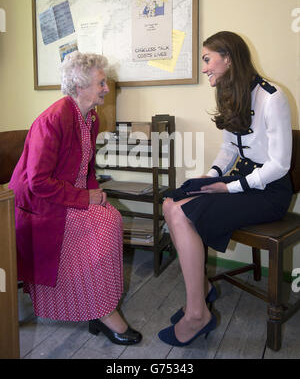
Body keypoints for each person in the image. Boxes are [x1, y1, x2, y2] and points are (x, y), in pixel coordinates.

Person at [158, 31, 293, 347]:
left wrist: (230, 187)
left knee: (181, 214)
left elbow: (281, 165)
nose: (204, 68)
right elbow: (229, 149)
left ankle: (197, 314)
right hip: (239, 181)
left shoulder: (273, 97)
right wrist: (210, 179)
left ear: (228, 58)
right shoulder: (230, 92)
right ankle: (203, 290)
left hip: (269, 191)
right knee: (170, 203)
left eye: (207, 59)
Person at [9, 51, 142, 345]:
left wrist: (96, 194)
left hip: (64, 197)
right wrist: (86, 200)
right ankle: (104, 312)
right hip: (40, 203)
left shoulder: (90, 117)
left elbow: (85, 168)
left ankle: (97, 304)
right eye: (101, 83)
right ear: (80, 87)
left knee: (111, 217)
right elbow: (38, 182)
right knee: (106, 224)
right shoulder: (54, 119)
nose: (106, 89)